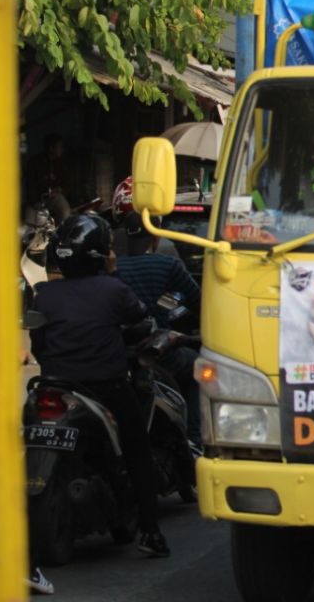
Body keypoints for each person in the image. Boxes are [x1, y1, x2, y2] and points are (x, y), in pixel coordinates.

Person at [28, 213, 170, 558]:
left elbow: (39, 344)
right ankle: (151, 531)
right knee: (137, 449)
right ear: (101, 254)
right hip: (105, 387)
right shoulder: (113, 289)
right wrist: (112, 272)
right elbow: (140, 318)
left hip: (52, 385)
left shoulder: (44, 294)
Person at [114, 210, 202, 443]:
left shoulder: (113, 269)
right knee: (198, 368)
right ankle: (193, 440)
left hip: (120, 353)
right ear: (156, 237)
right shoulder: (168, 264)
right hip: (159, 353)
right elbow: (198, 302)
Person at [24, 133, 72, 224]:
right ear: (51, 148)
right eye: (59, 147)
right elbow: (30, 186)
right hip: (36, 200)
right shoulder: (34, 163)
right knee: (29, 224)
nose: (62, 150)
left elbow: (68, 183)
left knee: (65, 212)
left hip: (55, 198)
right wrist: (36, 202)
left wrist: (59, 190)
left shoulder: (61, 163)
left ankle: (62, 234)